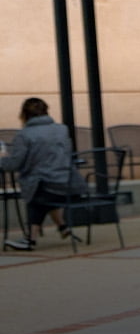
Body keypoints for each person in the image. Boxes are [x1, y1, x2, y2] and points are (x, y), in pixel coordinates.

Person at [2, 98, 79, 251]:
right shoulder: (62, 129)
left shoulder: (24, 135)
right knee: (47, 189)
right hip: (69, 182)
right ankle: (62, 227)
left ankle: (30, 239)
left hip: (45, 184)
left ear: (24, 115)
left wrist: (2, 160)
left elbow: (15, 163)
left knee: (38, 192)